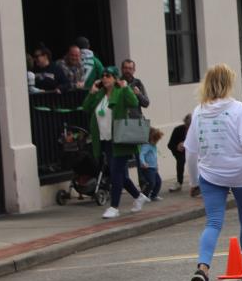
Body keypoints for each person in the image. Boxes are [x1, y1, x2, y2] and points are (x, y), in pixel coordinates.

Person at [186, 64, 242, 281]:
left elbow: (191, 149)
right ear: (228, 83)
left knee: (213, 222)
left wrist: (193, 180)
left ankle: (203, 268)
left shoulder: (199, 111)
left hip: (211, 172)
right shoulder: (237, 108)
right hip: (240, 171)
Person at [80, 66, 151, 218]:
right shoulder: (100, 94)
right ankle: (139, 196)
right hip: (105, 140)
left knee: (115, 173)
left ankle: (114, 207)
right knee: (118, 174)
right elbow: (86, 108)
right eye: (103, 75)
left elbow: (133, 102)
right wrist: (92, 93)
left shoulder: (121, 92)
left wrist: (126, 88)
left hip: (120, 138)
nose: (105, 78)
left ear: (115, 78)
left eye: (108, 75)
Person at [138, 127, 164, 201]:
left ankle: (154, 195)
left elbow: (154, 156)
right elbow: (141, 155)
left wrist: (156, 165)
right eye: (155, 140)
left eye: (157, 141)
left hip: (153, 167)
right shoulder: (146, 146)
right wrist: (143, 163)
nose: (156, 142)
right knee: (151, 182)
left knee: (158, 182)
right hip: (147, 168)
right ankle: (144, 196)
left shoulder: (153, 146)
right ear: (149, 138)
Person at [167, 114, 191, 192]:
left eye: (191, 126)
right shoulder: (178, 130)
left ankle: (200, 182)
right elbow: (170, 144)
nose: (189, 128)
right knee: (181, 161)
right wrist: (177, 147)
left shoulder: (198, 129)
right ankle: (179, 182)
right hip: (181, 151)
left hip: (194, 150)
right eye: (187, 126)